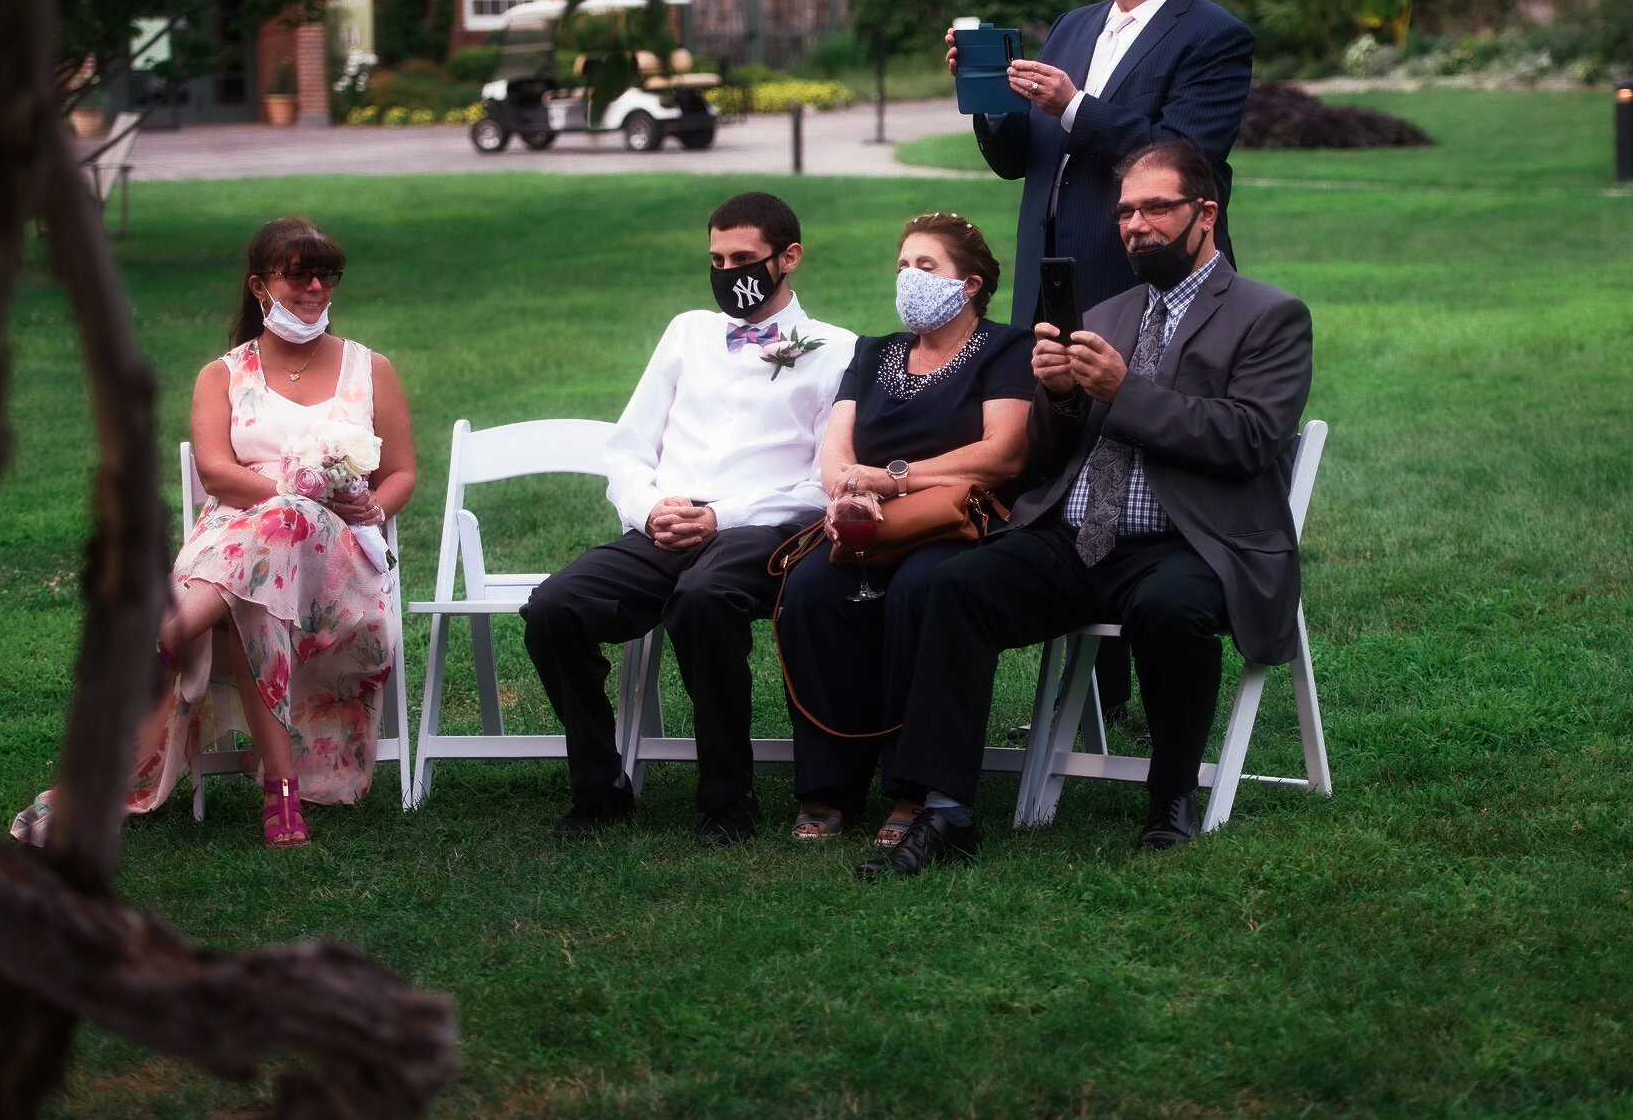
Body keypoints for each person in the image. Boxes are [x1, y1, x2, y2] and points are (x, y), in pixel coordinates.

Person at [857, 138, 1313, 879]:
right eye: (1125, 211)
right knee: (955, 584)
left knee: (1170, 607)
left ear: (1206, 213)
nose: (1136, 225)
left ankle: (1170, 797)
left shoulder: (1269, 316)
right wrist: (1061, 396)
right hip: (1073, 540)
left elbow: (1250, 439)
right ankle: (945, 807)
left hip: (1188, 541)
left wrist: (1123, 390)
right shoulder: (1106, 312)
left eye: (1156, 208)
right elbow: (1048, 450)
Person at [12, 218, 416, 849]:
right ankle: (281, 793)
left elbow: (403, 474)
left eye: (326, 274)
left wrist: (369, 507)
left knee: (288, 525)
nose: (316, 287)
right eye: (298, 274)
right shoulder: (221, 375)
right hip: (237, 545)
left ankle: (164, 634)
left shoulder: (371, 369)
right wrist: (291, 490)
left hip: (336, 561)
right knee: (259, 582)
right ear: (259, 286)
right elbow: (217, 474)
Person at [522, 192, 854, 845]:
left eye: (743, 258)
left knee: (702, 600)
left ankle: (730, 798)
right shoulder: (687, 333)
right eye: (717, 259)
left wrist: (718, 516)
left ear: (789, 257)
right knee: (554, 608)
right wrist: (650, 508)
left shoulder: (834, 349)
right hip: (664, 525)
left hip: (759, 530)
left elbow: (821, 485)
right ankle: (600, 787)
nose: (729, 272)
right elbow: (627, 447)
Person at [776, 214, 1033, 846]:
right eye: (902, 266)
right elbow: (836, 448)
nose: (909, 278)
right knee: (809, 591)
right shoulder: (873, 352)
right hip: (868, 522)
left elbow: (1002, 454)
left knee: (921, 592)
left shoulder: (1006, 349)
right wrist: (847, 490)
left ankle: (914, 788)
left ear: (969, 284)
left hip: (955, 524)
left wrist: (892, 479)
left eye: (926, 266)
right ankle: (829, 785)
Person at [946, 0, 1255, 325]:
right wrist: (991, 94)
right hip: (1044, 286)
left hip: (1141, 284)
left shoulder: (1216, 35)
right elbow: (1017, 163)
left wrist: (1073, 107)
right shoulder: (1071, 25)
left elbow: (1185, 159)